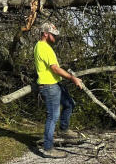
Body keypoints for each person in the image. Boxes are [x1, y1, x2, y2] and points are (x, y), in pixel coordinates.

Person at [34, 22, 83, 159]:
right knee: (52, 117)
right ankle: (48, 149)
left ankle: (64, 130)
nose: (56, 37)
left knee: (69, 104)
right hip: (49, 87)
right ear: (45, 34)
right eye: (53, 34)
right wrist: (73, 78)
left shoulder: (46, 47)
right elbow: (55, 68)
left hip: (56, 84)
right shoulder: (43, 47)